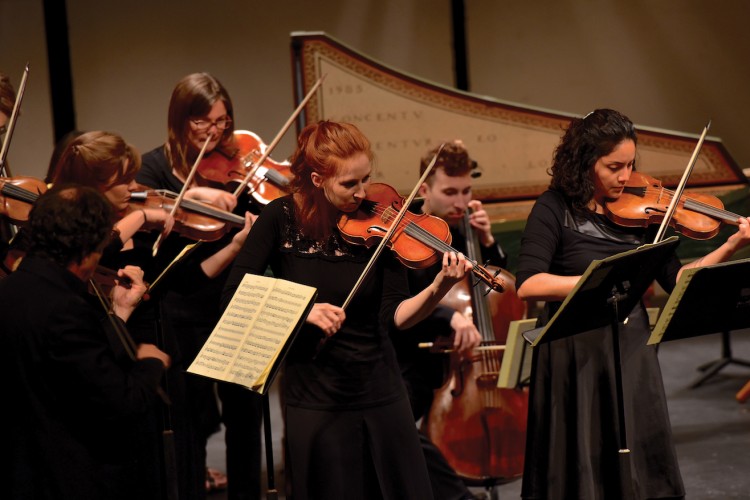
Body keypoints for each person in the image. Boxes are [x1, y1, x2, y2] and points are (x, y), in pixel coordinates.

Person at [223, 120, 474, 499]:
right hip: (315, 394)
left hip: (380, 386)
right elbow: (236, 291)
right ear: (317, 179)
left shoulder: (382, 223)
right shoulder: (280, 219)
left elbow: (396, 316)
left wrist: (439, 287)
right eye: (349, 184)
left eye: (365, 179)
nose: (362, 193)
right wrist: (302, 310)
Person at [515, 108, 750, 500]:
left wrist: (731, 244)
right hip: (575, 347)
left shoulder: (643, 217)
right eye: (613, 166)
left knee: (638, 458)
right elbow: (529, 284)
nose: (625, 177)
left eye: (630, 165)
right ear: (586, 162)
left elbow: (677, 281)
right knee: (583, 457)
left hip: (630, 346)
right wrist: (598, 282)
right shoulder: (553, 208)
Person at [0, 184, 170, 499]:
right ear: (88, 248)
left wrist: (119, 312)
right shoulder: (65, 308)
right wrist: (150, 363)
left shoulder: (11, 289)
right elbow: (122, 402)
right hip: (65, 475)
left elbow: (67, 367)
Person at [138, 72, 256, 499]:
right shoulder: (153, 169)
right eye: (203, 123)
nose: (216, 132)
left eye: (223, 122)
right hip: (182, 311)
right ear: (180, 121)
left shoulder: (233, 168)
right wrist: (200, 199)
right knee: (192, 421)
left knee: (245, 417)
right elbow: (151, 218)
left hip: (233, 304)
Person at [391, 140, 508, 499]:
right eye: (450, 192)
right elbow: (400, 301)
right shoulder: (405, 231)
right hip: (411, 359)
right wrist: (450, 316)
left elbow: (498, 292)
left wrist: (488, 244)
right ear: (424, 189)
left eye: (467, 190)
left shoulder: (467, 229)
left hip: (461, 364)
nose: (461, 202)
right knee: (397, 432)